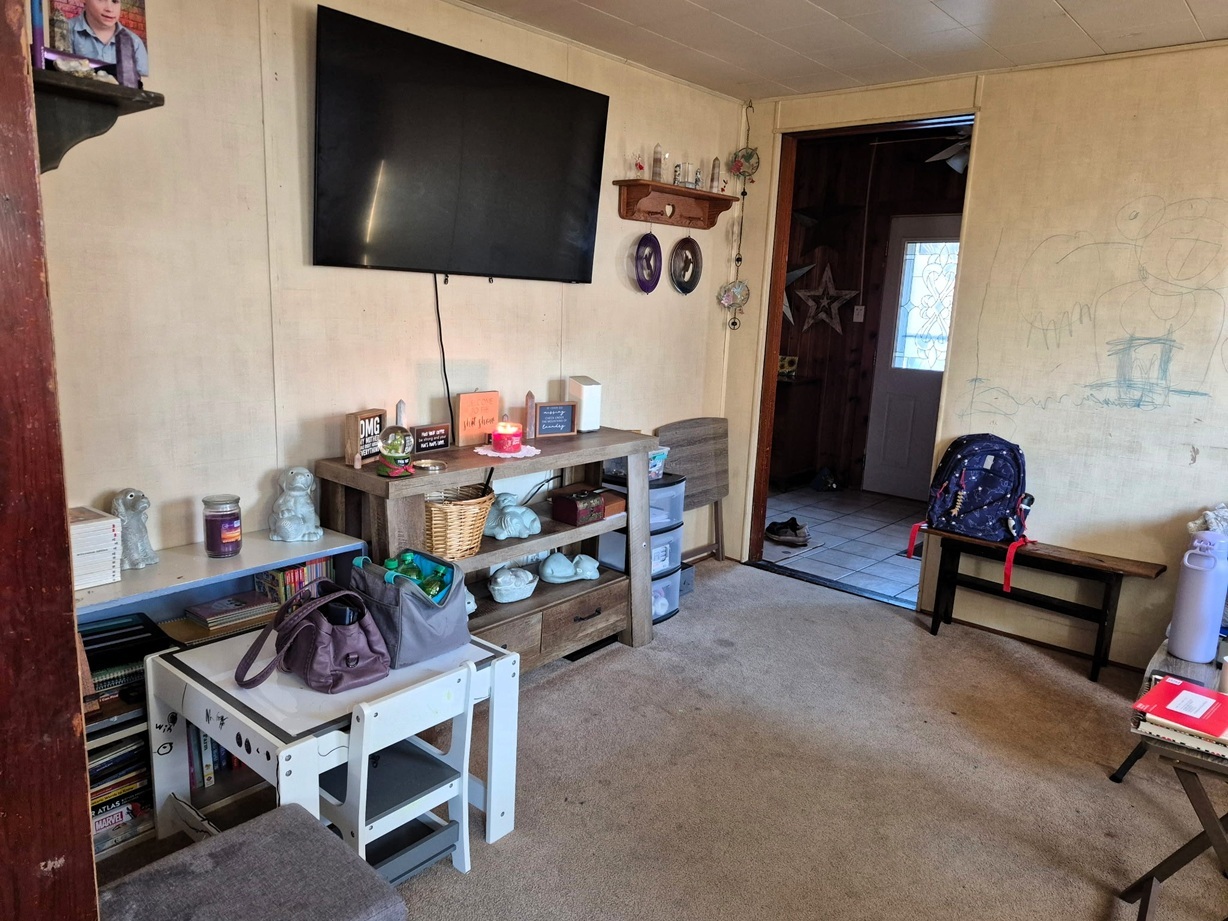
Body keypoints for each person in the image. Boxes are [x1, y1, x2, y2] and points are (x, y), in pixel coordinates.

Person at [68, 0, 148, 76]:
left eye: (115, 1)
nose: (109, 9)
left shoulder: (134, 42)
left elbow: (139, 86)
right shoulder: (64, 30)